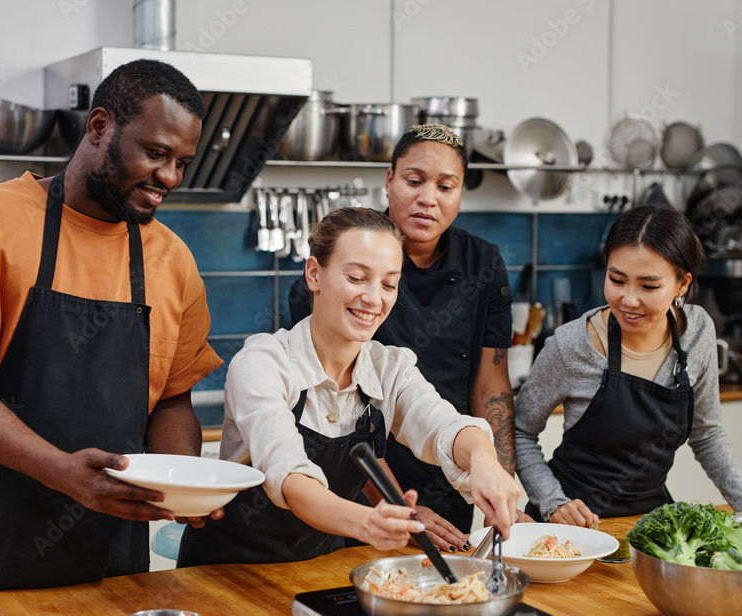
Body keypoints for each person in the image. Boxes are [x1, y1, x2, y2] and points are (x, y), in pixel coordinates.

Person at [0, 59, 224, 595]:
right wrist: (64, 472)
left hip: (110, 545)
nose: (170, 177)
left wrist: (184, 480)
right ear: (99, 126)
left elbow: (170, 400)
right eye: (156, 153)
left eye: (181, 162)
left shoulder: (173, 260)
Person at [178, 207, 521, 567]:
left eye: (389, 284)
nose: (374, 298)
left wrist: (484, 459)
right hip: (227, 570)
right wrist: (370, 522)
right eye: (357, 278)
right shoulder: (263, 362)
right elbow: (290, 476)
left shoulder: (390, 368)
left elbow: (443, 425)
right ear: (314, 274)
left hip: (317, 566)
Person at [288, 124, 521, 551]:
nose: (428, 198)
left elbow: (486, 389)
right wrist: (400, 511)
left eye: (445, 186)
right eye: (414, 181)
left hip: (451, 479)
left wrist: (496, 476)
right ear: (390, 180)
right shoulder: (281, 343)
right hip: (355, 494)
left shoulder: (482, 263)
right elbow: (342, 421)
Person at [514, 205, 742, 536]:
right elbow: (519, 432)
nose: (628, 300)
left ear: (682, 284)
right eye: (616, 279)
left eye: (649, 286)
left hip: (649, 529)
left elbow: (707, 433)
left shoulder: (697, 331)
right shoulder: (572, 345)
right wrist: (553, 503)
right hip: (567, 531)